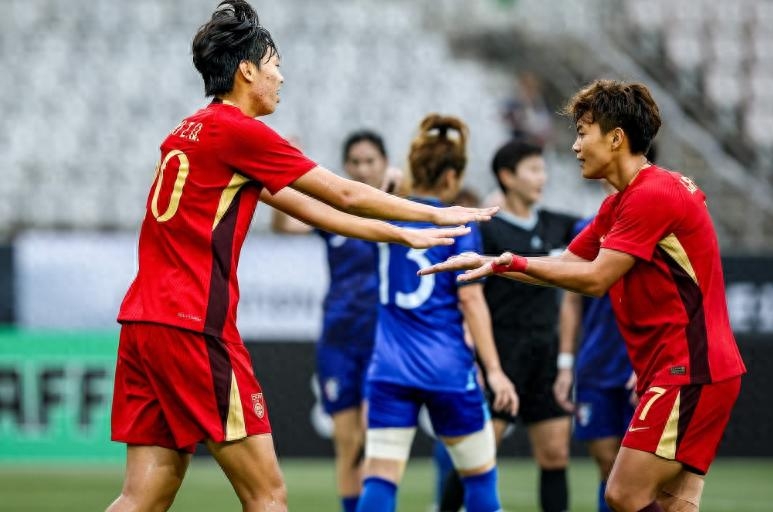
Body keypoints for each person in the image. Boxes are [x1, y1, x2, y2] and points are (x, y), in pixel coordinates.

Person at [106, 3, 499, 511]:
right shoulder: (238, 131)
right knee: (268, 494)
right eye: (274, 63)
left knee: (143, 495)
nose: (281, 77)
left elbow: (312, 210)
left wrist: (399, 234)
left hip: (143, 323)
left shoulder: (187, 133)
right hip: (192, 325)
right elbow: (345, 193)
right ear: (247, 70)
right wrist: (434, 215)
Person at [419, 79, 747, 512]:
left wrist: (509, 263)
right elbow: (569, 267)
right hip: (685, 369)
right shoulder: (622, 203)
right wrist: (496, 261)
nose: (574, 146)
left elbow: (595, 280)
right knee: (673, 505)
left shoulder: (652, 195)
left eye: (582, 131)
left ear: (615, 138)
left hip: (690, 370)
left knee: (622, 494)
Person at [356, 114, 519, 512]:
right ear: (451, 178)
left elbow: (382, 199)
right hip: (446, 367)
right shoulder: (459, 223)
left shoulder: (385, 214)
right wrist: (495, 371)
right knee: (480, 479)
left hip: (390, 367)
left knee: (380, 478)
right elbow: (472, 301)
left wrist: (392, 188)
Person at [439, 138, 580, 512]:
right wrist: (483, 363)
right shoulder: (487, 229)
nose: (542, 178)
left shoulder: (558, 225)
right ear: (507, 176)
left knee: (555, 452)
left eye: (543, 169)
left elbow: (604, 227)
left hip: (544, 352)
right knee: (479, 455)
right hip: (502, 350)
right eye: (533, 169)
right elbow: (468, 296)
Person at [273, 129, 394, 512]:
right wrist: (282, 171)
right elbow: (285, 227)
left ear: (384, 164)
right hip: (339, 339)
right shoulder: (333, 212)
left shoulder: (399, 205)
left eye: (369, 161)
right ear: (346, 167)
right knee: (347, 443)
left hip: (383, 339)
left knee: (378, 439)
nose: (362, 168)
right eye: (355, 162)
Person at [555, 207, 636, 512]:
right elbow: (571, 297)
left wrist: (655, 362)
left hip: (639, 364)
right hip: (596, 364)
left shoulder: (657, 219)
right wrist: (565, 364)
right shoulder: (588, 226)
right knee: (607, 463)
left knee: (642, 472)